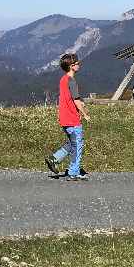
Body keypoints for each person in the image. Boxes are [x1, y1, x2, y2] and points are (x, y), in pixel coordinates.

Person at [45, 53, 90, 181]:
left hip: (64, 118)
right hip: (72, 119)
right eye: (76, 63)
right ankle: (73, 172)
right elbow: (75, 100)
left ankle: (54, 159)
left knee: (72, 143)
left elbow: (69, 98)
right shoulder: (72, 81)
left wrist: (80, 102)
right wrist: (85, 113)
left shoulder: (63, 79)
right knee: (78, 145)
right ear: (71, 66)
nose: (79, 64)